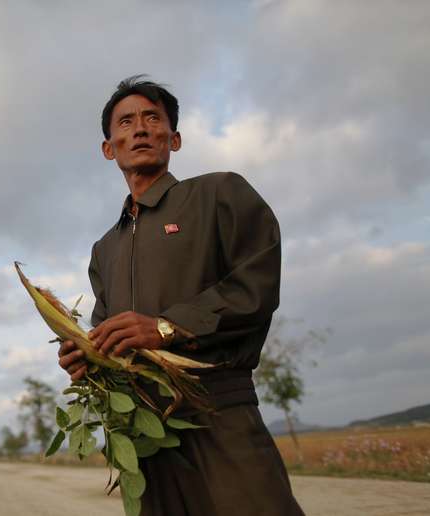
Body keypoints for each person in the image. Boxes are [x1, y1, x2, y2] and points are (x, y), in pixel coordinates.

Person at [57, 76, 305, 516]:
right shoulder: (104, 250)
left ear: (174, 138)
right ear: (108, 148)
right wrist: (87, 358)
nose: (140, 128)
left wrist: (166, 327)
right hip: (145, 433)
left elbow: (257, 285)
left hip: (219, 411)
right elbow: (107, 332)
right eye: (126, 121)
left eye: (153, 118)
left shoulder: (219, 194)